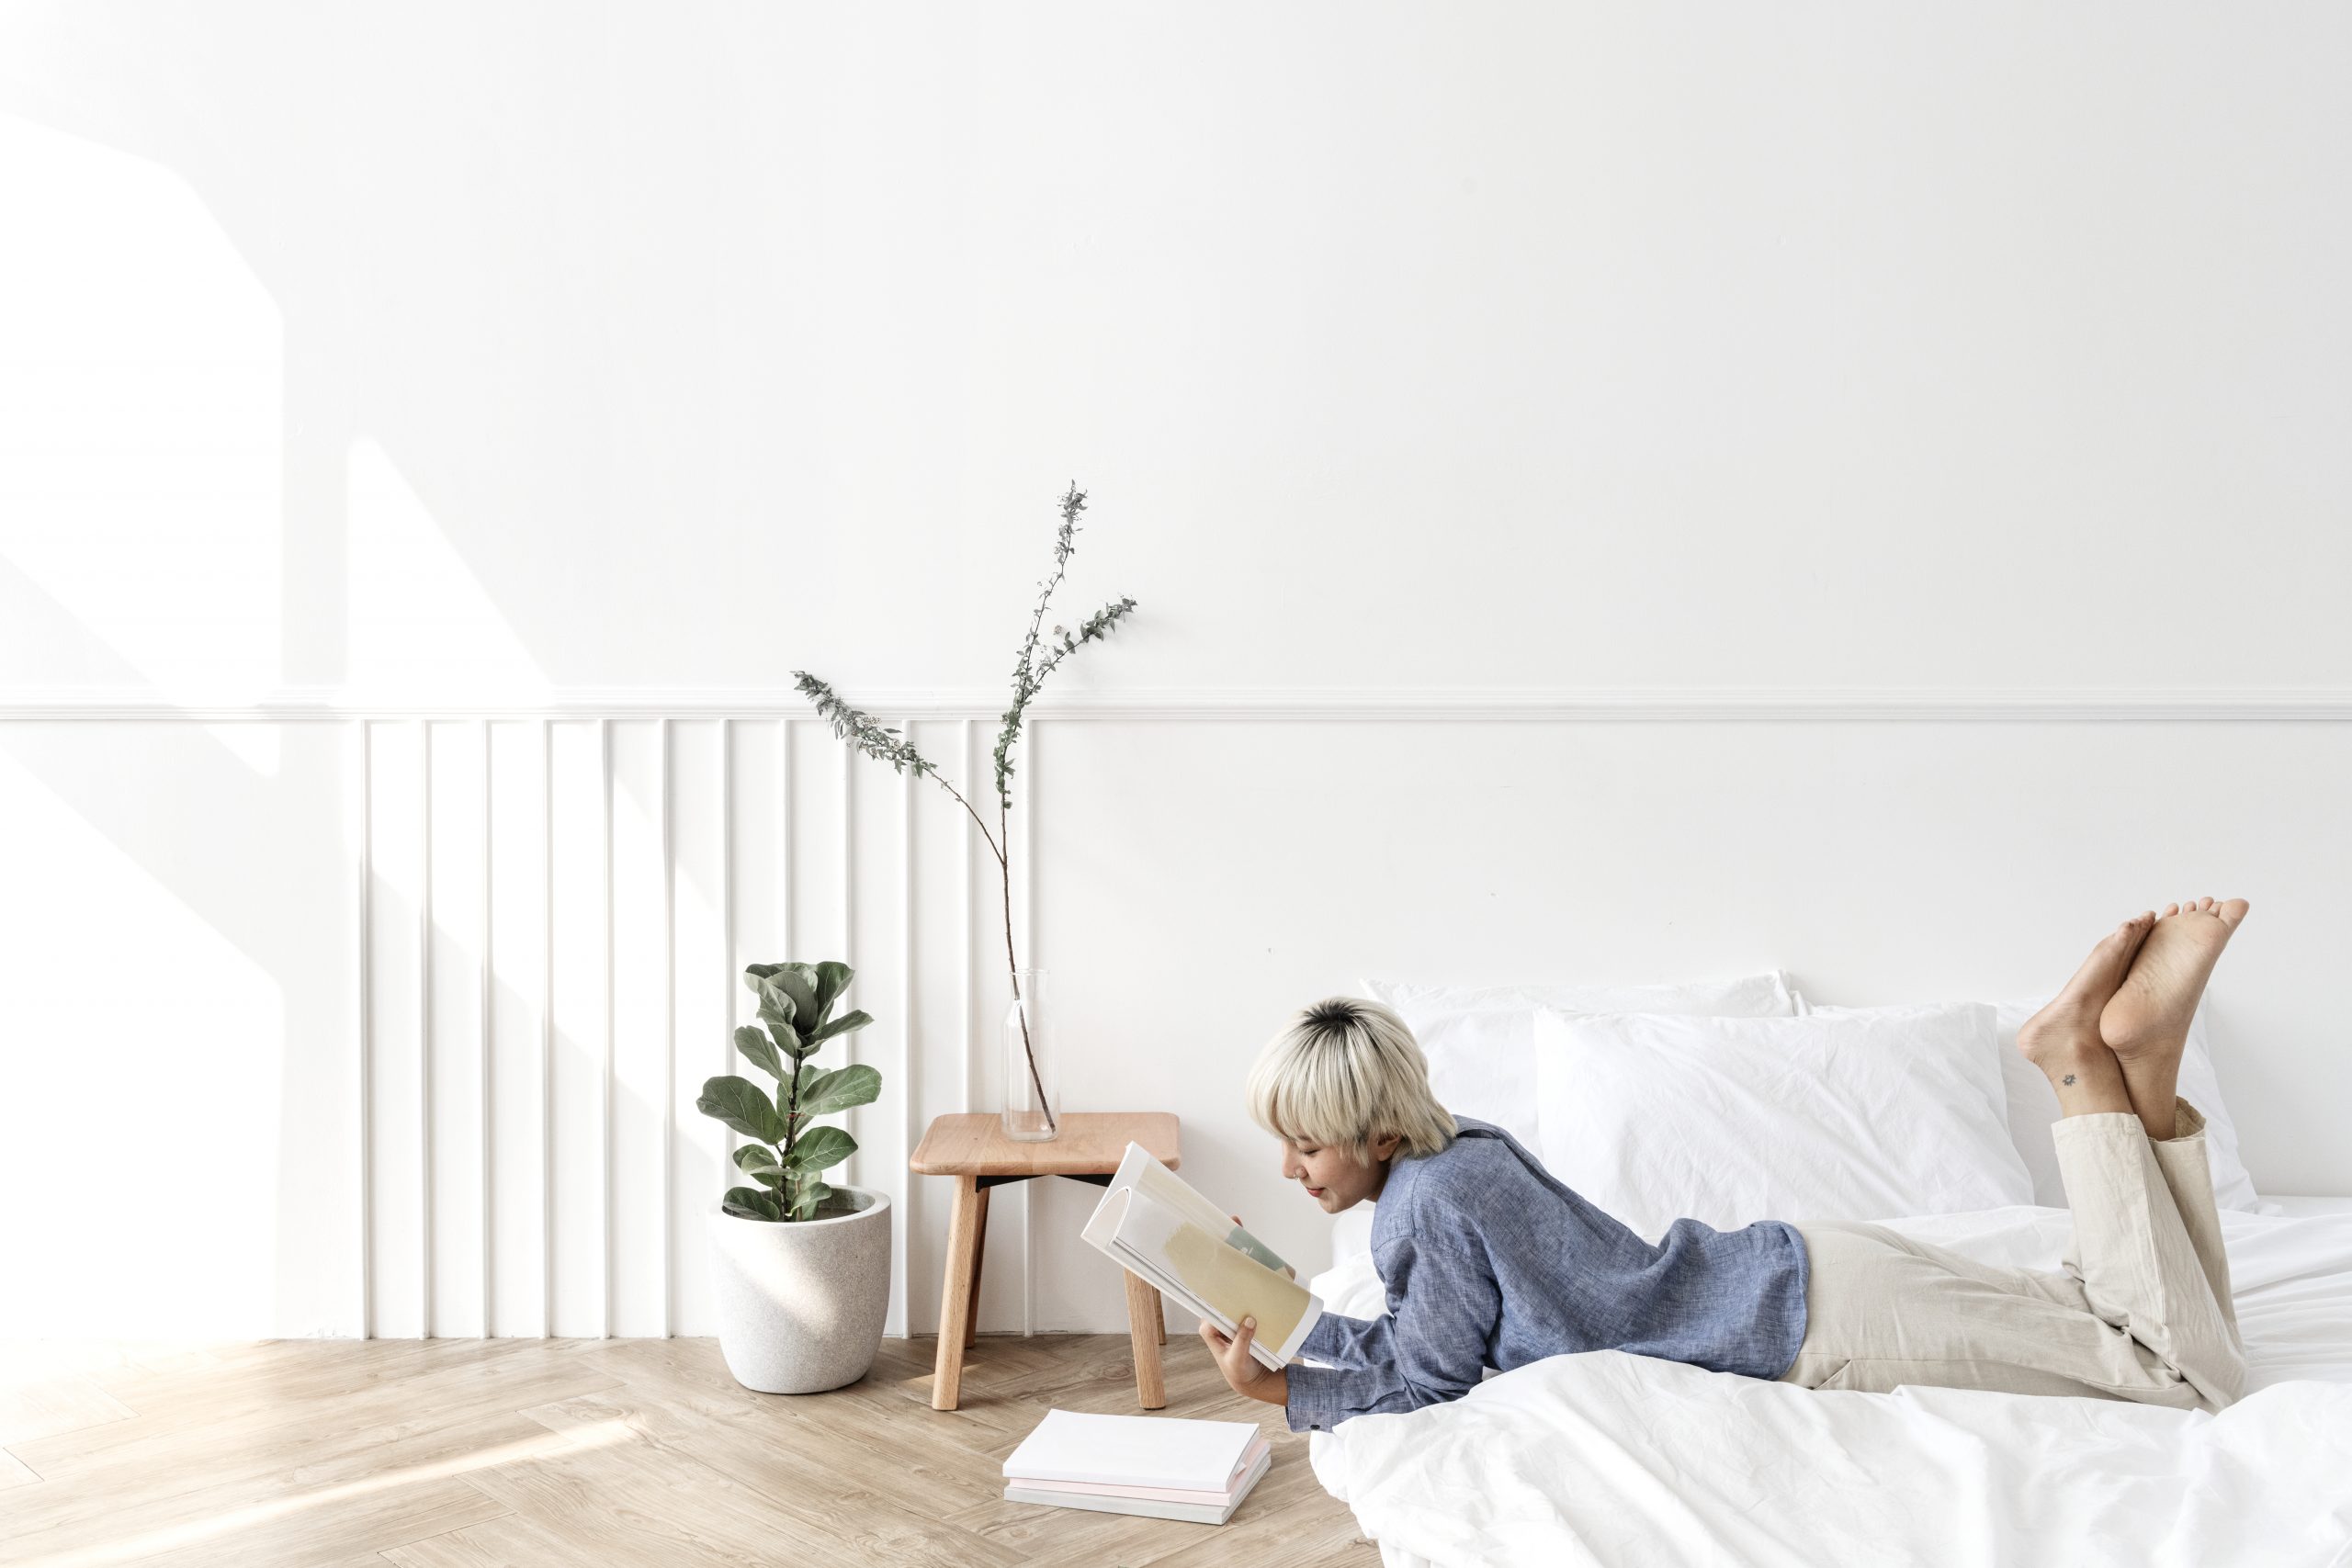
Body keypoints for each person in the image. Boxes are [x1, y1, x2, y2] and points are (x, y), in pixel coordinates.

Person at [1199, 899, 2253, 1435]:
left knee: (2177, 1373)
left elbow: (1428, 1380)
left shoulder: (1418, 1213)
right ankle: (2146, 1074)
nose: (1289, 1168)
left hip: (1815, 1327)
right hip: (1804, 1271)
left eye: (1305, 1141)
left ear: (1377, 1133)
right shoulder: (1459, 1149)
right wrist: (1300, 1320)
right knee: (2111, 1303)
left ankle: (2080, 1067)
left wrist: (1283, 1390)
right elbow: (1429, 1333)